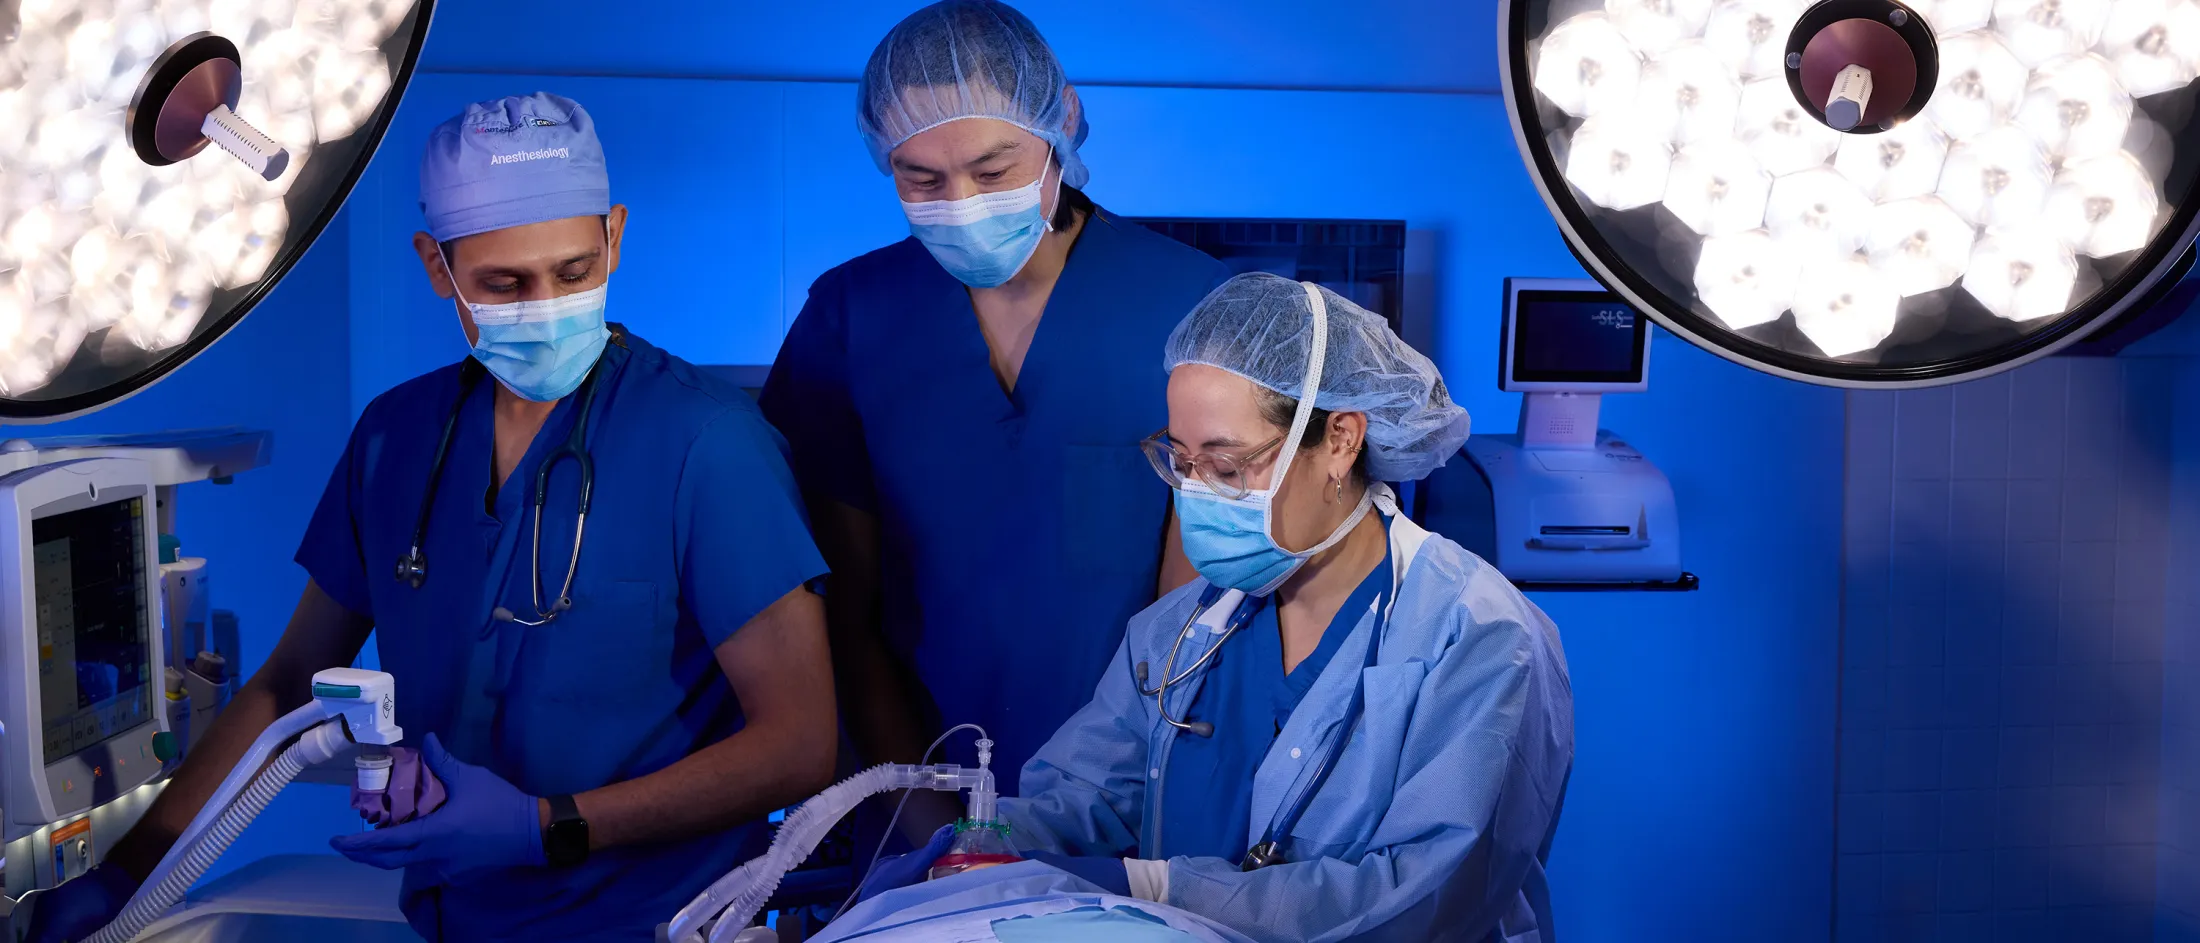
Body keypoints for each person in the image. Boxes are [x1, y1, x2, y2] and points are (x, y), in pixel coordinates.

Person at [26, 93, 837, 943]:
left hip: (669, 924)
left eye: (573, 271)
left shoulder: (706, 442)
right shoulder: (397, 438)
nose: (546, 306)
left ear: (614, 236)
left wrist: (549, 822)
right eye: (503, 282)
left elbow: (800, 740)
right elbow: (289, 683)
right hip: (457, 922)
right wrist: (129, 867)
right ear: (435, 266)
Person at [861, 273, 1573, 941]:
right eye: (1179, 460)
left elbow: (1429, 895)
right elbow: (1084, 800)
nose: (1195, 491)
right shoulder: (1180, 632)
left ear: (1340, 441)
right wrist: (975, 855)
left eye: (1228, 466)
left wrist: (1160, 887)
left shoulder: (1478, 635)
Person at [759, 0, 1229, 836]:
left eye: (994, 166)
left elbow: (1194, 623)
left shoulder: (1191, 306)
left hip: (1137, 800)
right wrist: (935, 832)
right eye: (922, 179)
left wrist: (1104, 818)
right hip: (913, 793)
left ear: (1063, 123)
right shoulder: (853, 315)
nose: (963, 201)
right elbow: (842, 612)